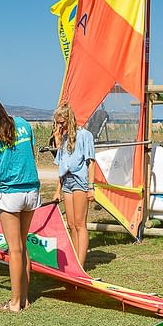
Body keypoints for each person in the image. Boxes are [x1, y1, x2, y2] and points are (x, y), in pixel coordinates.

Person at [0, 96, 40, 313]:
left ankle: (14, 302)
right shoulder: (23, 123)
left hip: (10, 192)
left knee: (14, 249)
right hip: (31, 189)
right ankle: (25, 298)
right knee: (22, 246)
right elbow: (30, 155)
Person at [50, 103, 96, 266]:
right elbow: (62, 164)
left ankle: (80, 264)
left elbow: (91, 163)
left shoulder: (85, 135)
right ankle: (75, 261)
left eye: (62, 122)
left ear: (69, 120)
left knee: (79, 223)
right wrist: (58, 190)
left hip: (80, 181)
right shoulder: (62, 138)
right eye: (57, 123)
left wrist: (91, 188)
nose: (59, 126)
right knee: (71, 224)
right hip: (67, 182)